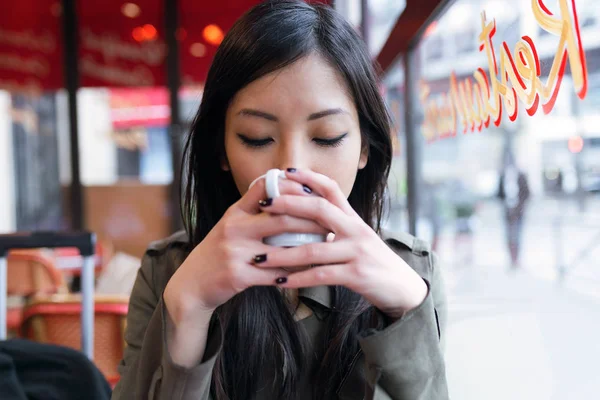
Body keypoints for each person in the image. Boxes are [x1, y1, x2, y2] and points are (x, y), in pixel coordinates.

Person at [112, 1, 448, 399]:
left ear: (364, 148)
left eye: (326, 137)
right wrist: (189, 307)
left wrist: (407, 310)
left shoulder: (409, 271)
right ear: (220, 150)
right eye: (256, 137)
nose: (292, 168)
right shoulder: (168, 271)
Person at [498, 162, 530, 269]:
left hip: (519, 213)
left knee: (517, 236)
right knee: (509, 236)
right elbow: (499, 194)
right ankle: (511, 259)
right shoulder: (503, 177)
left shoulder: (521, 177)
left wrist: (518, 208)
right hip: (507, 213)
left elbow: (527, 193)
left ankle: (516, 259)